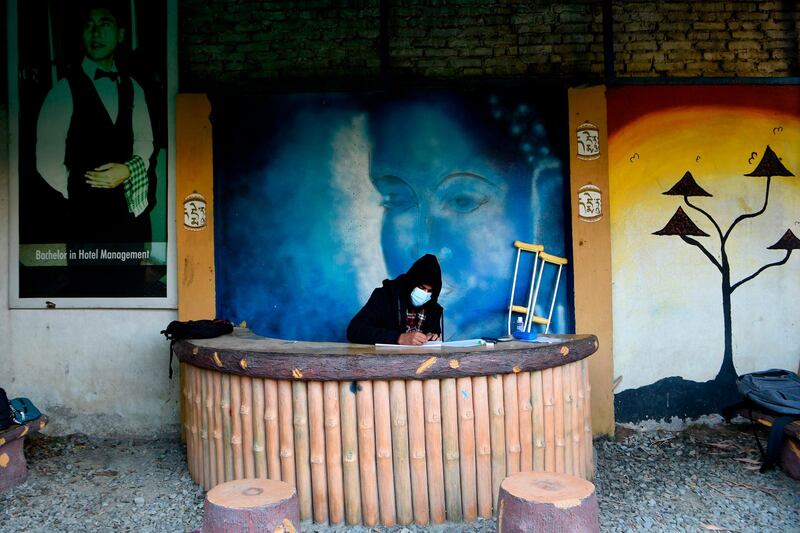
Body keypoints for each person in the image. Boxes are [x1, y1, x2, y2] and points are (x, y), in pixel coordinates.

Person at [367, 93, 569, 339]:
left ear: (544, 207)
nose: (424, 245)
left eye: (462, 201)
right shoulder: (389, 301)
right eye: (396, 200)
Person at [36, 1, 154, 252]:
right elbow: (46, 160)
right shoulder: (62, 91)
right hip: (85, 217)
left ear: (120, 34)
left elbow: (145, 141)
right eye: (88, 25)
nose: (96, 33)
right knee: (89, 283)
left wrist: (128, 170)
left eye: (105, 24)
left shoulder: (134, 87)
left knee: (130, 278)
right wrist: (78, 191)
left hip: (129, 211)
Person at [347, 254, 444, 345]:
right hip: (383, 361)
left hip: (420, 362)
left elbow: (430, 344)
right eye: (422, 288)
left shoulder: (433, 309)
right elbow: (355, 330)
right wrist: (399, 338)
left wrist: (432, 339)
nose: (425, 294)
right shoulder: (385, 296)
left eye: (429, 291)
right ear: (412, 283)